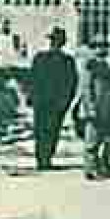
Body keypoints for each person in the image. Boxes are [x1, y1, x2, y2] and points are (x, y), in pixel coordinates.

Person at [29, 27, 79, 170]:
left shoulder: (45, 58)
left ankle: (43, 158)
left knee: (45, 130)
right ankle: (44, 158)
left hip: (49, 101)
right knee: (49, 130)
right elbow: (32, 79)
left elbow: (71, 83)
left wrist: (66, 100)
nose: (55, 43)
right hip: (49, 101)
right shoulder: (63, 60)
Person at [80, 55, 110, 180]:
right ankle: (90, 168)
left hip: (108, 108)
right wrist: (90, 108)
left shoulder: (105, 66)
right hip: (96, 108)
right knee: (92, 141)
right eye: (99, 46)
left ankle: (104, 163)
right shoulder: (90, 66)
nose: (103, 50)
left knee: (109, 138)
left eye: (105, 46)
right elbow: (86, 89)